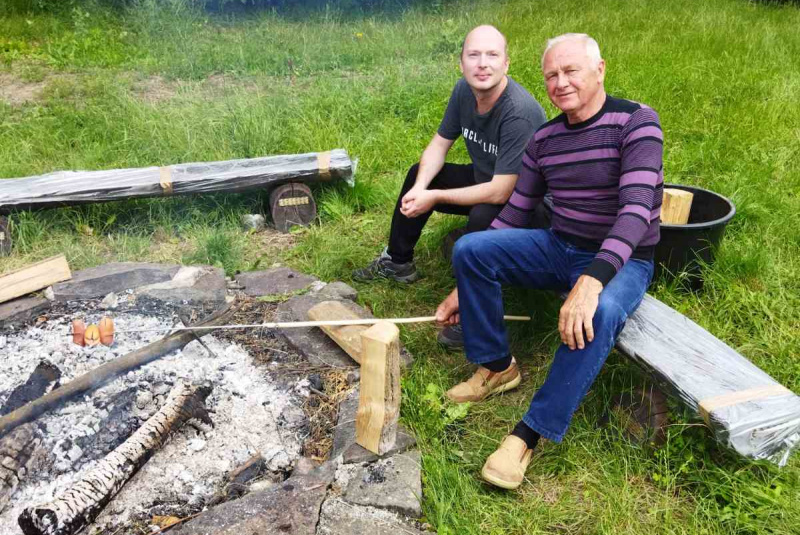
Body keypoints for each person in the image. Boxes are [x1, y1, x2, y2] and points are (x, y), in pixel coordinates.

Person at [435, 33, 664, 490]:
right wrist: (463, 284)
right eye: (552, 75)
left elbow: (637, 209)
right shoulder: (545, 138)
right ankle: (498, 366)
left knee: (597, 312)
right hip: (560, 244)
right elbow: (518, 209)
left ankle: (528, 434)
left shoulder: (637, 122)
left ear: (599, 70)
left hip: (622, 261)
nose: (560, 82)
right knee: (470, 248)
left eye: (571, 71)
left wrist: (592, 280)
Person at [353, 25, 546, 285]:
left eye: (492, 55)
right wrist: (421, 188)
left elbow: (501, 191)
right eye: (473, 55)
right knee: (417, 174)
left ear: (506, 64)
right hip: (485, 180)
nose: (482, 64)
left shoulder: (519, 112)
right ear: (461, 63)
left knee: (481, 215)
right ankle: (397, 262)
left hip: (526, 203)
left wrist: (433, 198)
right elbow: (439, 145)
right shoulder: (463, 91)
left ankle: (472, 295)